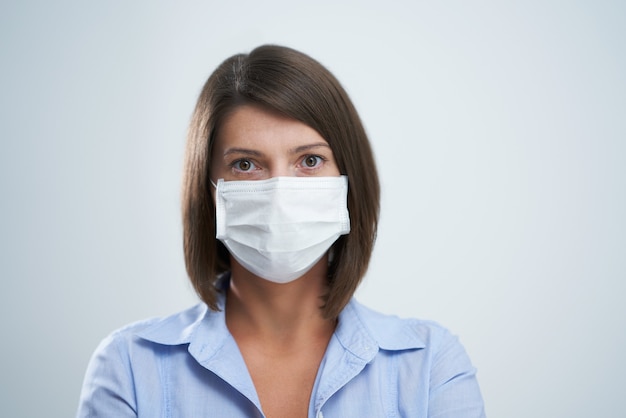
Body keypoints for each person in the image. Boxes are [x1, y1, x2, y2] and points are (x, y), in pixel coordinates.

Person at [76, 44, 485, 418]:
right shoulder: (129, 367)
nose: (279, 193)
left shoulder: (430, 365)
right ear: (209, 189)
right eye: (245, 165)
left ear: (349, 177)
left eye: (309, 161)